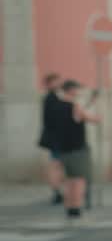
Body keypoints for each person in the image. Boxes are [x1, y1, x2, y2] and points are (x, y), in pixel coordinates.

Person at [46, 79, 101, 218]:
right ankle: (76, 207)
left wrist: (90, 102)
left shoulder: (56, 105)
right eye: (77, 89)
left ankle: (69, 207)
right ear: (71, 90)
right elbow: (91, 118)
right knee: (79, 180)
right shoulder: (74, 106)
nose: (79, 92)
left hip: (62, 149)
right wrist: (97, 113)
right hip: (77, 149)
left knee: (69, 180)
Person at [36, 73, 65, 204]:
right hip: (56, 139)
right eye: (56, 81)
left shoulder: (51, 98)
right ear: (49, 83)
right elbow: (55, 120)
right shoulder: (51, 99)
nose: (58, 84)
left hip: (55, 138)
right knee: (55, 165)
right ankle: (56, 192)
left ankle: (57, 191)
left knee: (56, 165)